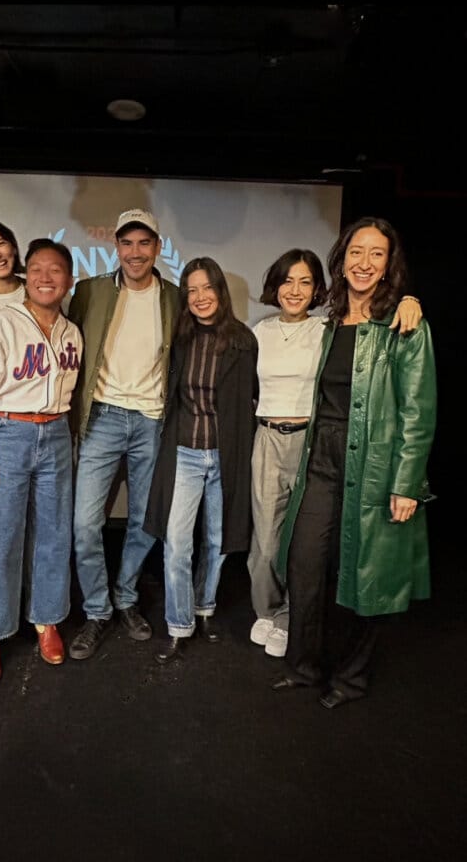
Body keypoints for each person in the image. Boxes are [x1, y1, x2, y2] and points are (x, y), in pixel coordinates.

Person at [272, 217, 436, 708]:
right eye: (356, 252)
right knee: (304, 564)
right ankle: (303, 668)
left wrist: (407, 483)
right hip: (321, 457)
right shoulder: (329, 321)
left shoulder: (404, 324)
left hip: (376, 464)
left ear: (389, 266)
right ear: (341, 260)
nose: (364, 263)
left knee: (366, 574)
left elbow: (418, 410)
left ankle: (350, 679)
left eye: (377, 254)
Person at [248, 249, 423, 660]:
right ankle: (266, 611)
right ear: (276, 285)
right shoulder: (259, 331)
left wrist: (409, 300)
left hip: (313, 441)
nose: (295, 290)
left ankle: (292, 617)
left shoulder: (326, 328)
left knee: (302, 542)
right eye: (287, 281)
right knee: (266, 542)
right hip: (267, 438)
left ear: (317, 290)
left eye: (305, 282)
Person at [0, 238, 82, 688]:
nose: (46, 277)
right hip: (7, 432)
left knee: (52, 531)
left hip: (56, 434)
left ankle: (47, 621)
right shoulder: (0, 324)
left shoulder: (72, 332)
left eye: (56, 270)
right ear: (27, 275)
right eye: (38, 269)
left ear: (69, 279)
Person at [68, 208, 179, 661]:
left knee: (145, 521)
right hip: (103, 417)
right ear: (116, 247)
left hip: (152, 420)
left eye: (144, 243)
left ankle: (126, 597)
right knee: (84, 525)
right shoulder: (89, 291)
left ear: (156, 247)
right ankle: (97, 610)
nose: (135, 252)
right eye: (127, 243)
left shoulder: (173, 297)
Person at [144, 258, 258, 662]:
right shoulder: (180, 338)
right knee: (177, 545)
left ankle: (204, 607)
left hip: (225, 455)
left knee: (216, 541)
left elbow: (248, 404)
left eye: (206, 287)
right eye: (191, 290)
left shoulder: (244, 341)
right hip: (185, 454)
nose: (199, 297)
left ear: (220, 291)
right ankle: (179, 625)